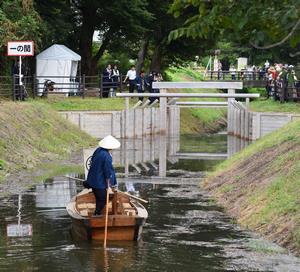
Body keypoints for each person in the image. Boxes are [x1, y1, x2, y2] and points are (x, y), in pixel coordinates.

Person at [85, 135, 121, 216]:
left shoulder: (98, 150)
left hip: (92, 180)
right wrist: (109, 183)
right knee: (103, 200)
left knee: (99, 198)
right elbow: (107, 171)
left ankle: (98, 213)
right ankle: (97, 214)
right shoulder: (107, 156)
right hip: (99, 182)